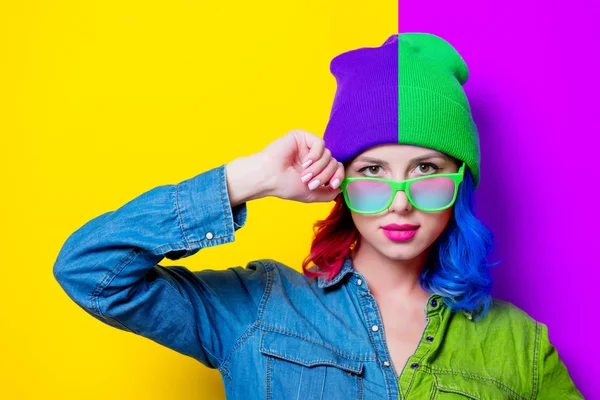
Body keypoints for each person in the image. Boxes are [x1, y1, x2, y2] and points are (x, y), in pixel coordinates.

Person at [53, 33, 584, 399]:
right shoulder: (258, 307)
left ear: (460, 181)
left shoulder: (519, 347)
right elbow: (90, 271)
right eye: (373, 169)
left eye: (426, 168)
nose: (400, 201)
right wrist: (248, 179)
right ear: (342, 184)